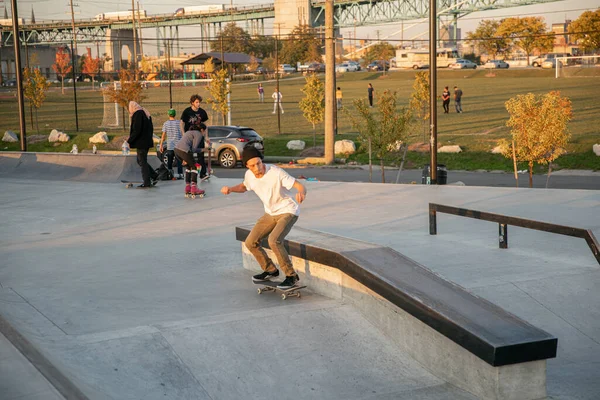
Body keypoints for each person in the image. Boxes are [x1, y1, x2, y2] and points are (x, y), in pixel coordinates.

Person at [220, 147, 307, 290]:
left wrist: (301, 192)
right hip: (270, 213)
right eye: (253, 165)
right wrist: (231, 189)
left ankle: (292, 276)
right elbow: (244, 186)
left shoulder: (275, 172)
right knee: (250, 242)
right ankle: (271, 270)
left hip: (288, 211)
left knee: (274, 240)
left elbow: (299, 185)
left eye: (259, 163)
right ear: (247, 166)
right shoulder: (249, 175)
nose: (257, 168)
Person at [174, 121, 210, 197]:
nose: (204, 133)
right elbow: (193, 149)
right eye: (204, 131)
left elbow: (189, 147)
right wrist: (203, 149)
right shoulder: (198, 134)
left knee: (189, 166)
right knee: (195, 167)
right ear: (202, 130)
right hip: (184, 150)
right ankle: (194, 188)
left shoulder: (190, 132)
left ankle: (188, 187)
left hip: (177, 150)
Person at [127, 101, 158, 188]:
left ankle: (147, 182)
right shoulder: (145, 113)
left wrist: (129, 140)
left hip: (141, 142)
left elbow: (137, 129)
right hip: (146, 141)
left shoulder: (138, 114)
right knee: (140, 160)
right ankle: (154, 175)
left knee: (142, 161)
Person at [180, 94, 209, 176]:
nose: (198, 104)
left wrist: (206, 136)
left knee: (201, 155)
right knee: (189, 155)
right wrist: (183, 134)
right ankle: (190, 173)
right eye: (196, 102)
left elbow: (205, 125)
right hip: (189, 138)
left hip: (199, 137)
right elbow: (181, 123)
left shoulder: (202, 112)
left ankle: (202, 173)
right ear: (192, 103)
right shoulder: (187, 111)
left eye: (199, 102)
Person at [159, 109, 183, 179]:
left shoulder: (166, 123)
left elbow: (163, 135)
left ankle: (170, 173)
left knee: (170, 161)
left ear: (168, 115)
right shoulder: (179, 123)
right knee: (179, 160)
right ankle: (180, 174)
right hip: (178, 145)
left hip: (170, 145)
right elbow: (182, 133)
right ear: (175, 115)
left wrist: (161, 145)